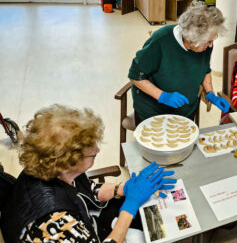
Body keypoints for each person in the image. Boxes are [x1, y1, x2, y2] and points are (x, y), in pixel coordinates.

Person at [1, 104, 177, 243]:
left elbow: (87, 190)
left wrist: (122, 189)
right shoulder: (55, 224)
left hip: (85, 220)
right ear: (67, 162)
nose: (98, 149)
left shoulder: (50, 166)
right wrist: (130, 206)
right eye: (91, 152)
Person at [128, 1, 230, 125]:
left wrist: (210, 94)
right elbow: (135, 76)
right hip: (153, 112)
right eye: (208, 42)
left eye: (212, 40)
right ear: (192, 38)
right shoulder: (161, 40)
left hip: (185, 111)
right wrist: (163, 96)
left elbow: (204, 69)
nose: (210, 45)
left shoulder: (204, 46)